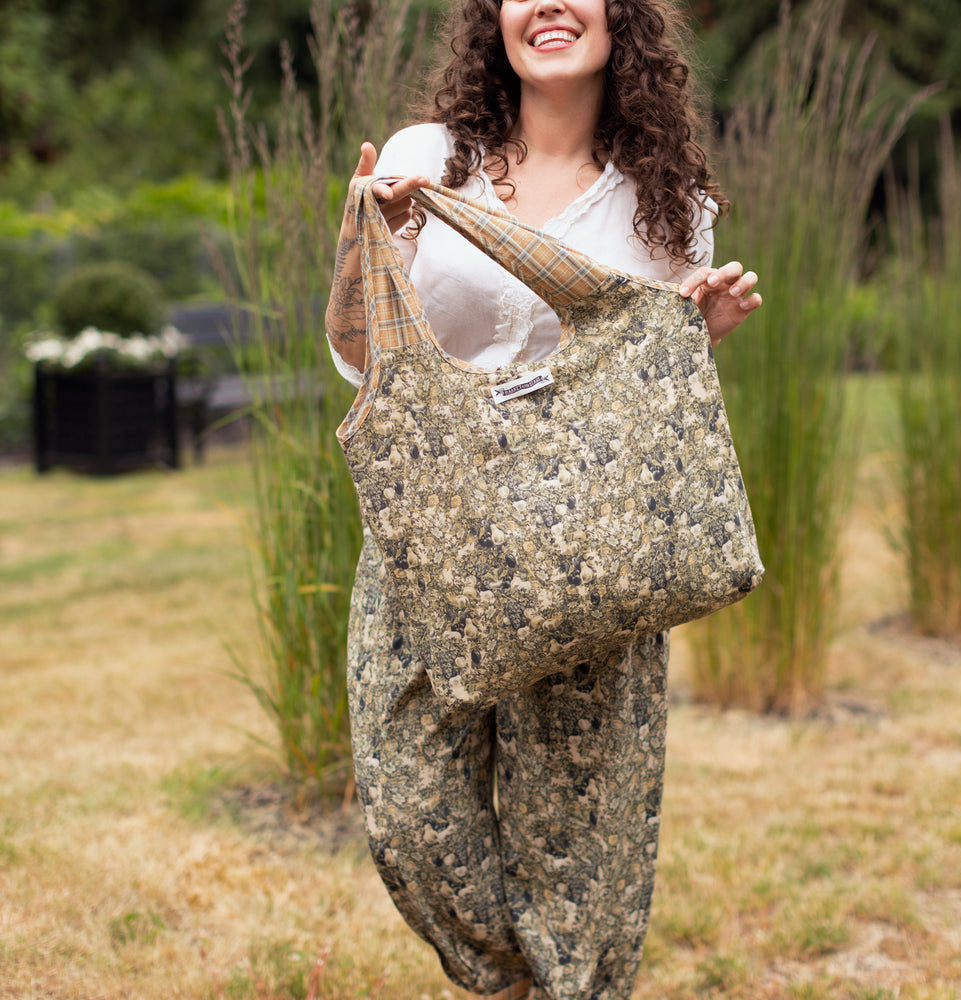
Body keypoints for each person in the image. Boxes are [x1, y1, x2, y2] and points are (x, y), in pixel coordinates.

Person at [325, 1, 761, 997]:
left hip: (592, 547)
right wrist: (369, 248)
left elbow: (648, 404)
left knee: (586, 849)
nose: (549, 3)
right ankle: (513, 981)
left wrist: (692, 338)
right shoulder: (427, 159)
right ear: (496, 17)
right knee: (406, 810)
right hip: (434, 533)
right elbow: (360, 360)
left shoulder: (668, 197)